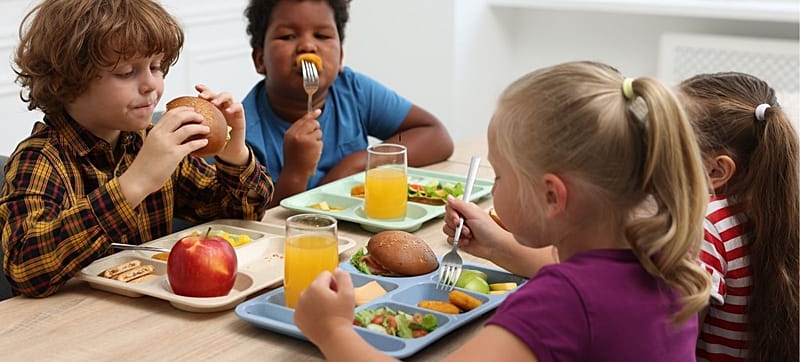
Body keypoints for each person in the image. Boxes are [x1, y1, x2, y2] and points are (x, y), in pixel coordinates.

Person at [294, 61, 711, 361]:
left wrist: (332, 331)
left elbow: (574, 297)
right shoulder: (665, 255)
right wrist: (499, 247)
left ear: (552, 195)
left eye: (499, 176)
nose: (494, 188)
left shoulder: (558, 303)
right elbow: (581, 279)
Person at [0, 0, 274, 298]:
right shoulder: (40, 159)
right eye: (127, 72)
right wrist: (134, 184)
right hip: (74, 323)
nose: (151, 85)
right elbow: (25, 268)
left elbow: (240, 216)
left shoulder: (149, 141)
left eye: (156, 67)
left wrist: (233, 151)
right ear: (64, 82)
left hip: (150, 311)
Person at [243, 0, 454, 207]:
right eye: (288, 36)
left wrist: (357, 163)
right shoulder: (243, 134)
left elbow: (436, 136)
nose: (308, 46)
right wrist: (296, 171)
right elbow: (259, 221)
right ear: (260, 59)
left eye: (322, 35)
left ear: (341, 56)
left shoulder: (352, 90)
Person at [679, 72, 799, 362]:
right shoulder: (778, 208)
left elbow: (679, 347)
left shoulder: (705, 227)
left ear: (716, 171)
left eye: (667, 142)